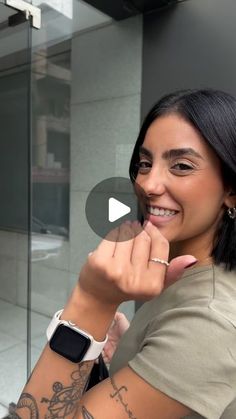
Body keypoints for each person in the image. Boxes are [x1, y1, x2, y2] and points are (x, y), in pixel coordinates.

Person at [14, 89, 236, 419]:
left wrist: (91, 302)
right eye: (144, 163)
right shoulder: (187, 274)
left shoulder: (211, 319)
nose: (148, 183)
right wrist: (125, 354)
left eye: (182, 165)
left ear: (231, 191)